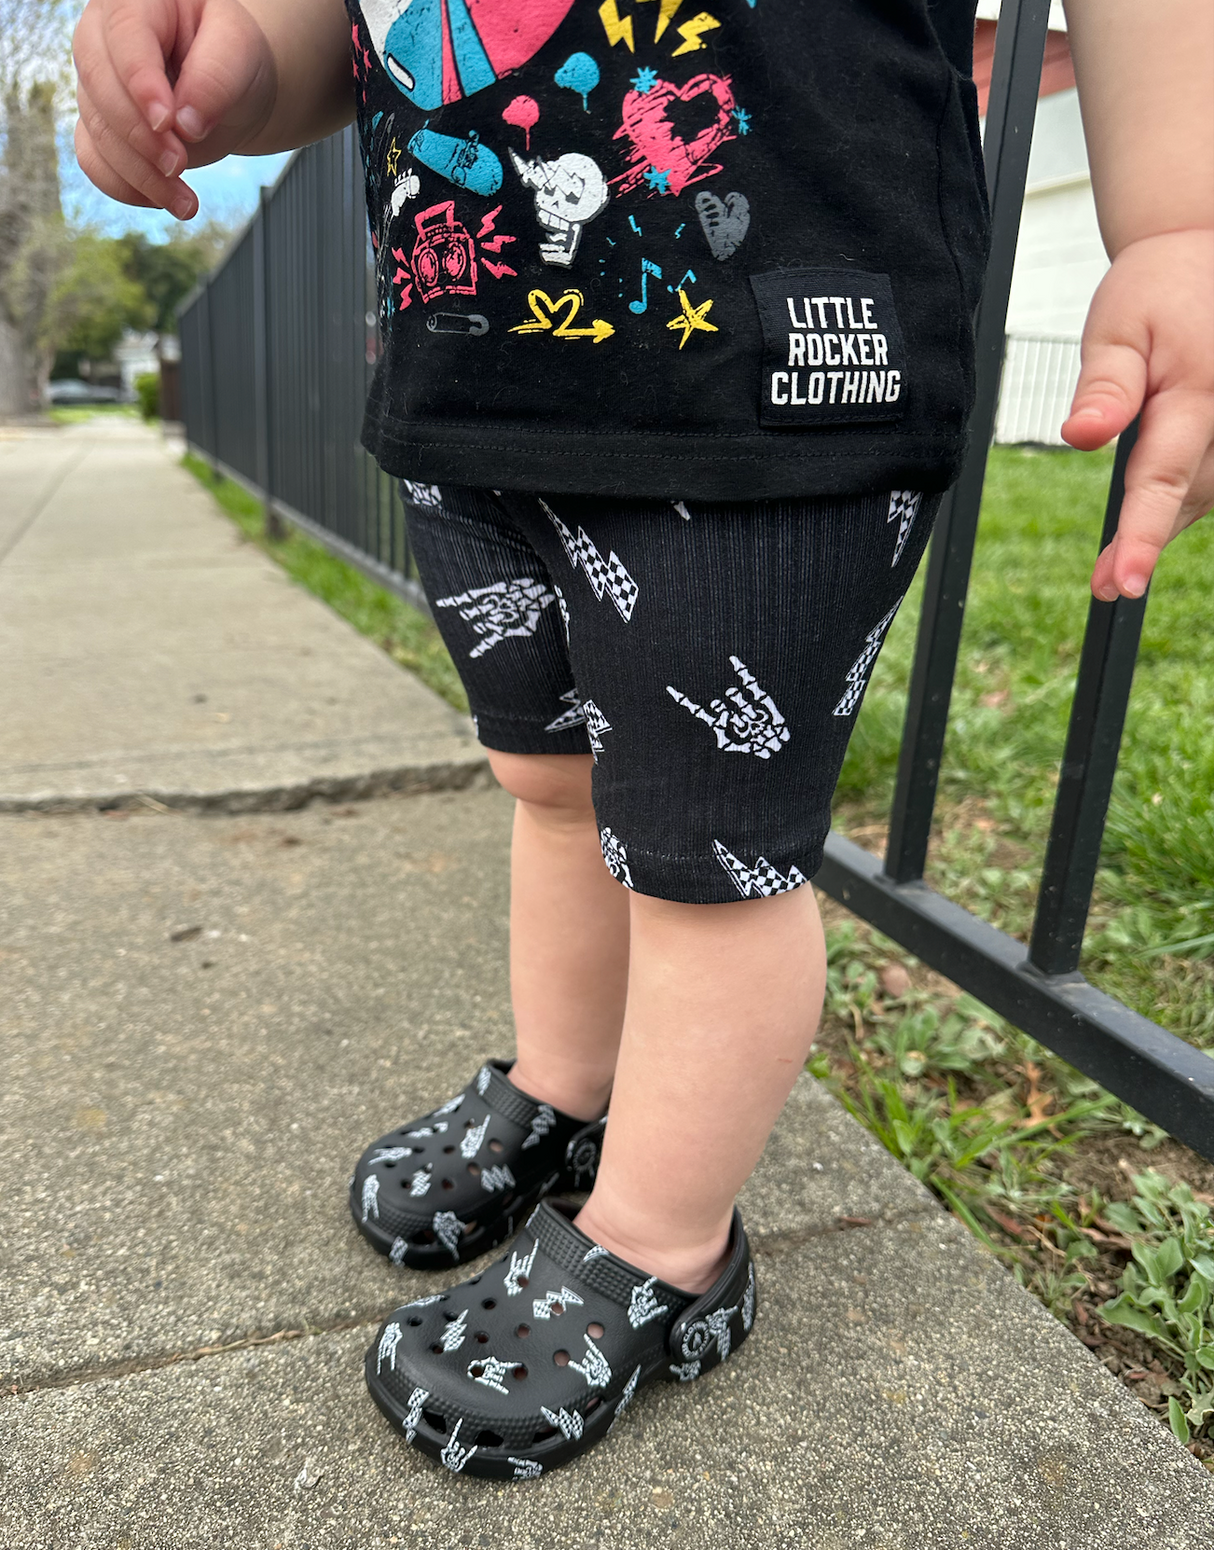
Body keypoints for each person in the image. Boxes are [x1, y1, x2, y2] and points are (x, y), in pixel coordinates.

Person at [74, 0, 1212, 1481]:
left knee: (707, 851)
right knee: (549, 781)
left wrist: (1178, 215)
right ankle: (566, 1088)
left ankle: (669, 1245)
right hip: (472, 362)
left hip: (778, 355)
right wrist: (238, 70)